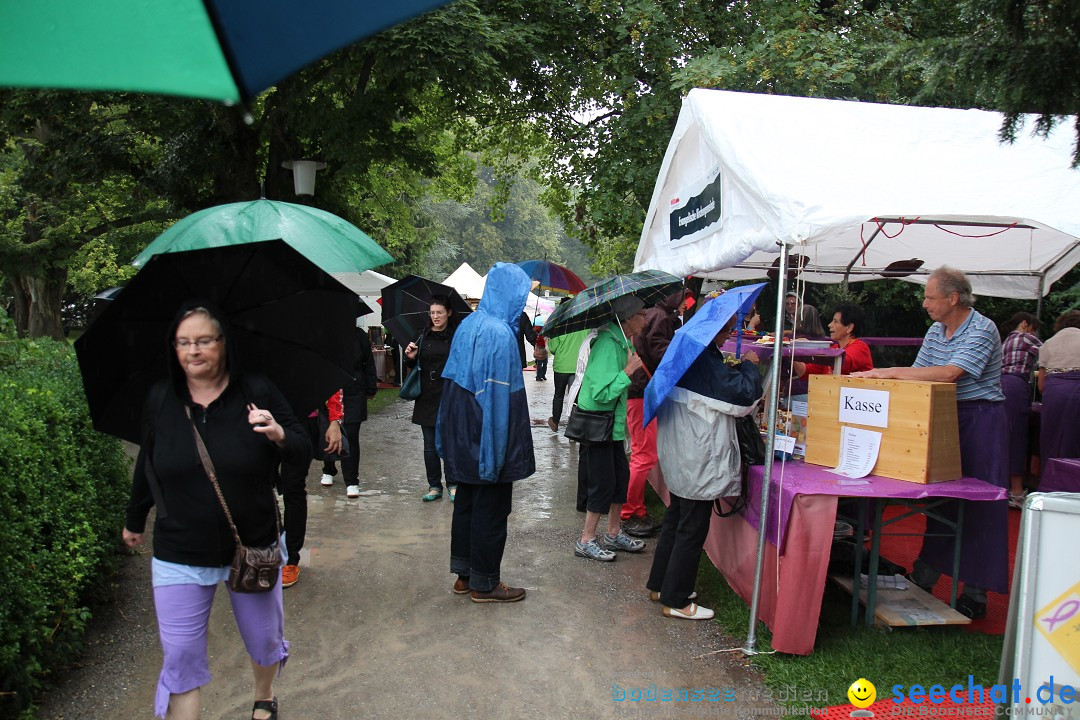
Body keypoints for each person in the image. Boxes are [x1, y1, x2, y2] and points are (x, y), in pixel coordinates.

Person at [123, 301, 308, 720]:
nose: (193, 351)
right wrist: (135, 518)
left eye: (204, 340)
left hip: (251, 547)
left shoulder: (256, 391)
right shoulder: (161, 398)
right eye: (183, 342)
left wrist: (279, 435)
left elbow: (301, 449)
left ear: (224, 343)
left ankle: (264, 696)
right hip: (179, 552)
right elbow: (148, 463)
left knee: (263, 641)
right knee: (180, 660)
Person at [853, 267, 1006, 620]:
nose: (924, 304)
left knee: (979, 507)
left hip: (979, 421)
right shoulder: (936, 330)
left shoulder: (982, 328)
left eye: (930, 297)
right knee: (940, 501)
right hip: (941, 418)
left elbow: (951, 373)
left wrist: (886, 372)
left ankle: (976, 593)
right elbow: (919, 373)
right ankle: (925, 575)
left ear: (953, 298)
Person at [648, 316, 762, 620]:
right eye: (725, 329)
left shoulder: (684, 351)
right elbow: (740, 400)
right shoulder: (702, 360)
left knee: (676, 520)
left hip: (680, 451)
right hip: (697, 454)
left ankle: (661, 584)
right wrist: (750, 366)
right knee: (691, 528)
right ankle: (677, 599)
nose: (728, 335)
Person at [439, 262, 536, 602]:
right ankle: (485, 583)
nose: (521, 304)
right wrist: (493, 457)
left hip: (460, 431)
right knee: (491, 507)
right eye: (520, 297)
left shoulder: (467, 324)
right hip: (485, 433)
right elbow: (496, 399)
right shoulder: (500, 335)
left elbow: (449, 383)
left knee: (466, 501)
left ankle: (464, 576)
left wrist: (443, 439)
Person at [574, 294, 649, 562]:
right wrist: (626, 372)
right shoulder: (607, 344)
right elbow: (598, 393)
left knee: (620, 479)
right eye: (642, 314)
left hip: (613, 427)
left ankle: (614, 533)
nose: (645, 318)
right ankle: (586, 540)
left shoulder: (621, 342)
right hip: (598, 426)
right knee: (602, 483)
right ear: (628, 319)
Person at [623, 288, 687, 538]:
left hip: (641, 391)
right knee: (644, 455)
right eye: (683, 300)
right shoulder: (659, 316)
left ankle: (636, 508)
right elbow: (660, 353)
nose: (684, 306)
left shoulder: (656, 314)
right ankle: (627, 512)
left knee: (643, 453)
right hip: (642, 392)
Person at [278, 391, 342, 588]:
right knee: (257, 488)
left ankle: (290, 559)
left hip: (301, 424)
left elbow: (331, 384)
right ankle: (272, 546)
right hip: (258, 421)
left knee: (293, 487)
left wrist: (334, 421)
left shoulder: (305, 360)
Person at [404, 295, 457, 502]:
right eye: (432, 313)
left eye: (439, 312)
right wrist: (410, 357)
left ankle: (453, 484)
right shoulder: (421, 335)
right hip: (426, 395)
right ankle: (435, 486)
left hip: (450, 394)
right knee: (429, 445)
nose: (435, 316)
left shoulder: (456, 335)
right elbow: (411, 366)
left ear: (448, 313)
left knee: (450, 442)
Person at [999, 311, 1042, 507]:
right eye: (1034, 328)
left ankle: (1003, 487)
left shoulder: (1006, 340)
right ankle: (1017, 492)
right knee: (1017, 437)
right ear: (1025, 324)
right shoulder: (1025, 338)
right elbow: (1050, 352)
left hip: (1001, 385)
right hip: (1016, 387)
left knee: (1004, 436)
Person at [338, 323, 380, 498]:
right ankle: (328, 467)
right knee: (329, 430)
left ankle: (351, 480)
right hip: (333, 391)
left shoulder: (359, 335)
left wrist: (371, 387)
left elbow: (368, 362)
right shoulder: (328, 333)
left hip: (355, 391)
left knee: (350, 434)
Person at [1037, 309, 1080, 463]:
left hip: (1053, 393)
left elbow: (1041, 385)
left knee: (1051, 439)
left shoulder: (1049, 343)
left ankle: (1051, 481)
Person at [791, 303, 874, 379]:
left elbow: (842, 362)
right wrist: (794, 349)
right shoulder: (834, 349)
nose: (829, 325)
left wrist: (810, 348)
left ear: (849, 328)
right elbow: (805, 372)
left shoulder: (860, 347)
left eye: (835, 322)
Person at [547, 325, 589, 432]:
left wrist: (550, 340)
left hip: (561, 367)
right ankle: (573, 427)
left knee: (558, 395)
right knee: (575, 397)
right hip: (578, 367)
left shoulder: (560, 327)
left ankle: (555, 421)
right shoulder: (585, 327)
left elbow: (552, 348)